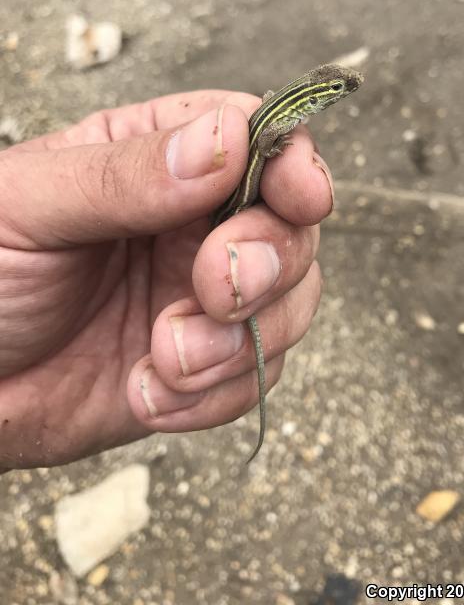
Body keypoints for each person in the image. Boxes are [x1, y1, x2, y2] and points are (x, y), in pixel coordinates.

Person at [0, 87, 332, 471]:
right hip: (235, 205)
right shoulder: (277, 122)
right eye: (337, 90)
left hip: (217, 220)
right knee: (252, 254)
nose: (342, 92)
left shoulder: (281, 108)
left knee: (250, 264)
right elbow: (270, 139)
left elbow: (271, 112)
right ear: (313, 98)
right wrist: (270, 150)